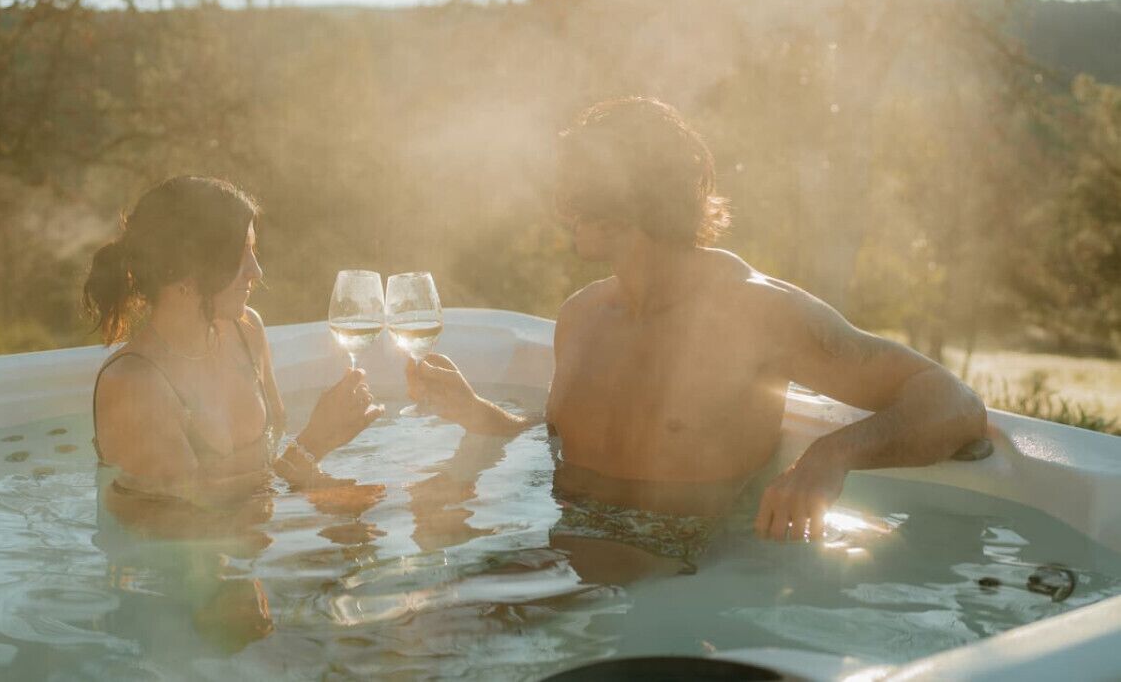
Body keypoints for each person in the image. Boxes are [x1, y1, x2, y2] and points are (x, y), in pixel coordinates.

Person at [405, 97, 987, 573]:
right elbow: (573, 445)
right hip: (563, 550)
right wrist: (480, 415)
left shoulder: (753, 312)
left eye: (579, 190)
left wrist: (831, 455)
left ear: (635, 195)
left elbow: (952, 403)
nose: (563, 208)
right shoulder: (582, 315)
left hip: (673, 568)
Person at [82, 175, 385, 505]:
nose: (256, 271)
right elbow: (184, 523)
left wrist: (321, 487)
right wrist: (315, 444)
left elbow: (272, 461)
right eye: (240, 255)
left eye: (253, 251)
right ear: (185, 272)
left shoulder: (247, 331)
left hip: (254, 534)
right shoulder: (134, 384)